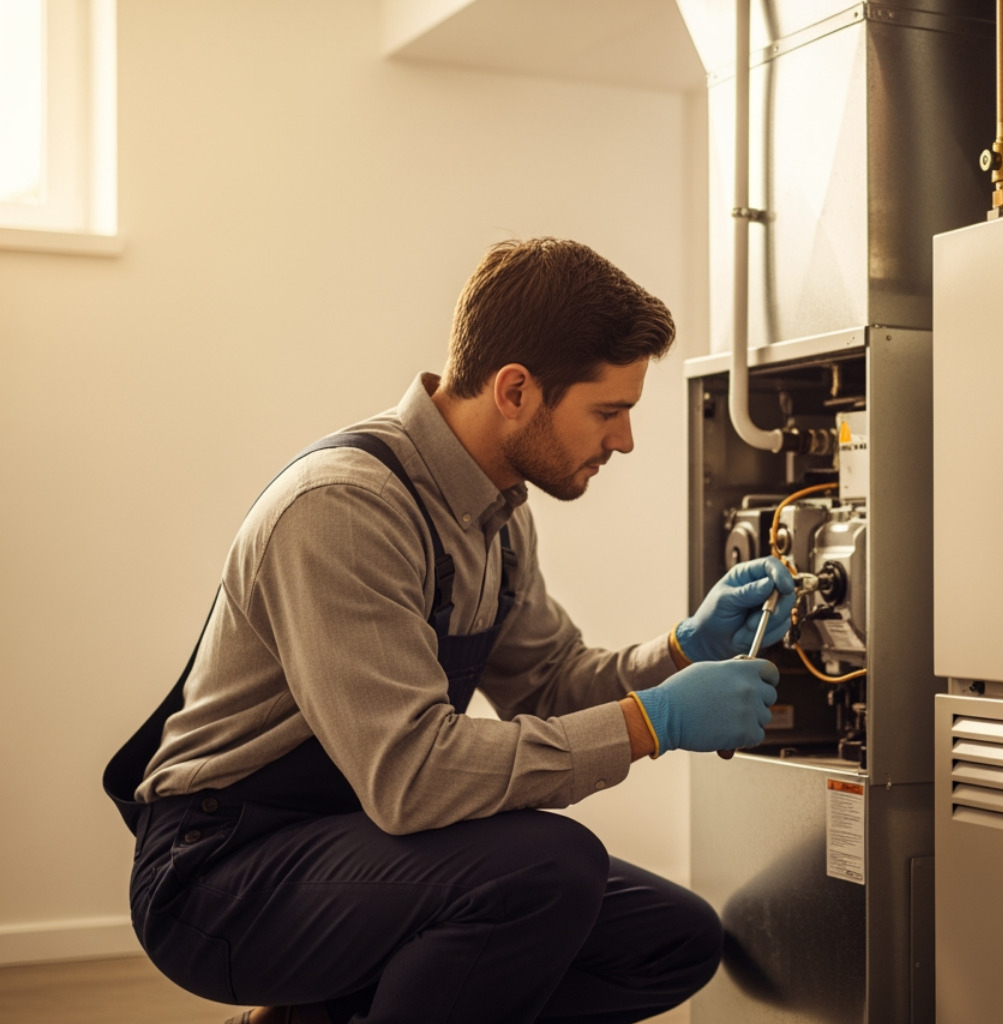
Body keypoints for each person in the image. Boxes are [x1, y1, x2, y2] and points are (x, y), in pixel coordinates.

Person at [105, 238, 794, 1024]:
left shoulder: (497, 516)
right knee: (548, 869)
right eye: (609, 411)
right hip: (222, 876)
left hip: (350, 843)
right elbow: (412, 777)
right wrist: (651, 725)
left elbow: (551, 682)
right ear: (514, 390)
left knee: (672, 940)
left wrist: (680, 651)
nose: (624, 441)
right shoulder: (346, 510)